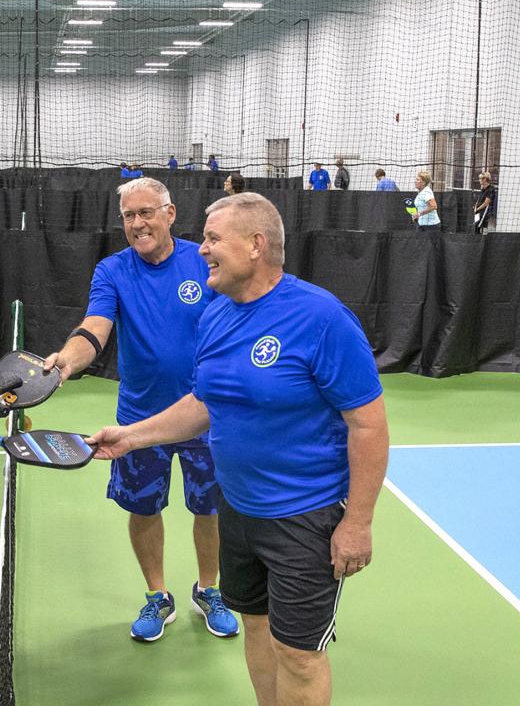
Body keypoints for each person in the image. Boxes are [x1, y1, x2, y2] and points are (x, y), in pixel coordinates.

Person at [89, 192, 389, 706]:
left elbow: (368, 424)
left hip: (305, 515)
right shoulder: (217, 316)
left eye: (212, 239)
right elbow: (205, 401)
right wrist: (132, 435)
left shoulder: (321, 317)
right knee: (256, 627)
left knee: (298, 653)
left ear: (255, 245)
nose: (202, 250)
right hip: (238, 509)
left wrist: (357, 522)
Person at [43, 177, 238, 643]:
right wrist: (67, 360)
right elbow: (95, 326)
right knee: (144, 508)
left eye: (146, 212)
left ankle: (208, 590)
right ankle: (157, 595)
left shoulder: (203, 260)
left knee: (210, 507)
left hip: (205, 413)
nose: (137, 223)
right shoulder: (112, 270)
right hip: (139, 419)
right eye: (129, 216)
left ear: (170, 214)